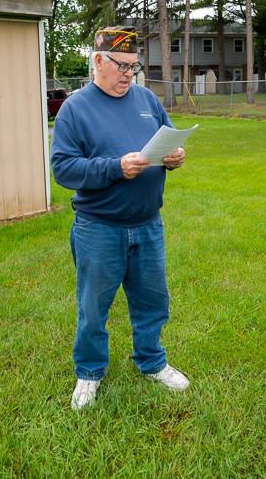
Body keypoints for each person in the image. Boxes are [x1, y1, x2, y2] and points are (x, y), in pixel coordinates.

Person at [50, 26, 190, 410]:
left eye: (134, 66)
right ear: (98, 60)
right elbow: (63, 170)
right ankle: (89, 373)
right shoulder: (75, 108)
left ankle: (151, 362)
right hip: (99, 228)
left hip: (147, 224)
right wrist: (115, 167)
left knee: (151, 301)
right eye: (122, 65)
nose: (130, 74)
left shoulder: (146, 99)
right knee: (94, 307)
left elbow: (166, 139)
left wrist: (174, 158)